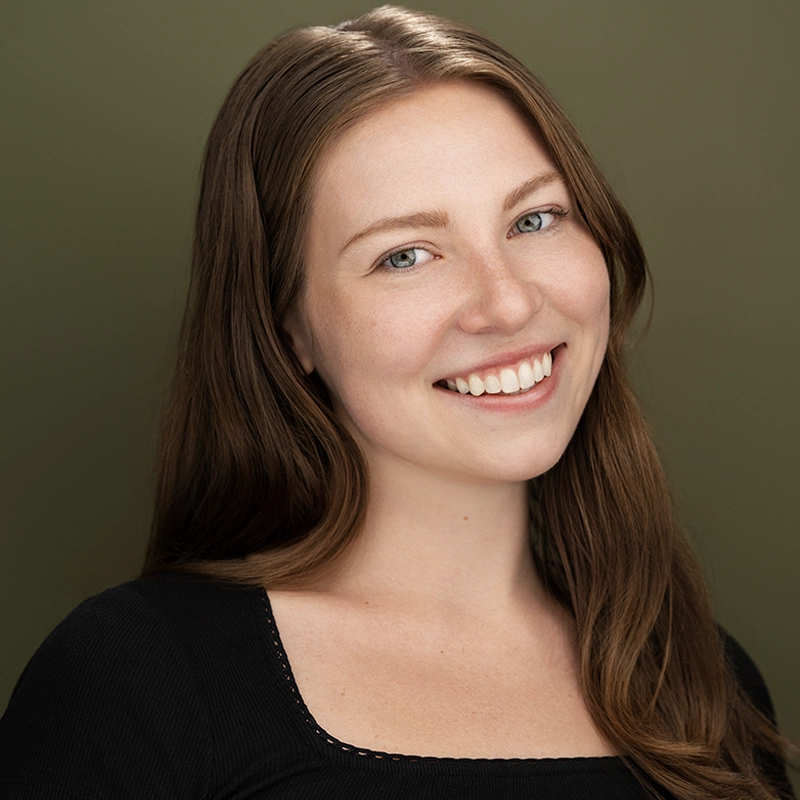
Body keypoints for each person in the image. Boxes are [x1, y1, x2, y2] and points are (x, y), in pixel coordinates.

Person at [0, 6, 794, 799]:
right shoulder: (137, 682)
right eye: (406, 255)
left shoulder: (702, 683)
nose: (508, 303)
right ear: (289, 331)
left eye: (535, 218)